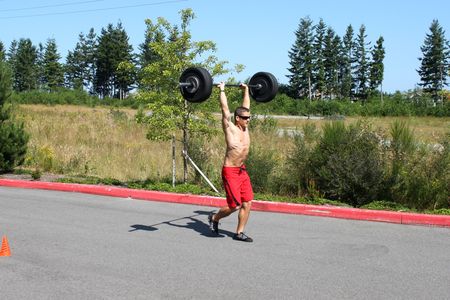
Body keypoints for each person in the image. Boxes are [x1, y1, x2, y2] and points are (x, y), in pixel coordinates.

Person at [208, 82, 254, 242]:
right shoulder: (230, 128)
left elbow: (246, 106)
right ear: (237, 119)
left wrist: (246, 90)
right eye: (246, 118)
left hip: (242, 170)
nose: (248, 120)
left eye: (249, 117)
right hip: (230, 171)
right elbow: (225, 109)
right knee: (233, 205)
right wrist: (222, 89)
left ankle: (239, 232)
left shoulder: (245, 128)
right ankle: (214, 218)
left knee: (247, 203)